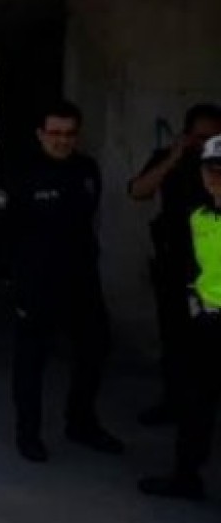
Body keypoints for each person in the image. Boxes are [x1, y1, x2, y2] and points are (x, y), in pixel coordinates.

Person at [0, 100, 124, 463]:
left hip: (82, 280)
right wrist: (15, 280)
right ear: (40, 134)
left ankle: (81, 423)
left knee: (95, 350)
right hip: (36, 283)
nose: (62, 140)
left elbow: (89, 218)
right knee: (31, 361)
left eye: (69, 134)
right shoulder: (20, 173)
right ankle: (28, 433)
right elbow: (3, 232)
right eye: (55, 133)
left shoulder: (86, 169)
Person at [126, 103, 221, 426]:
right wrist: (175, 157)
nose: (202, 144)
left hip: (211, 273)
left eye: (211, 137)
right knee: (174, 341)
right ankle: (174, 403)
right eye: (197, 137)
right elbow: (138, 191)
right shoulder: (172, 159)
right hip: (173, 265)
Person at [139, 133, 221, 500]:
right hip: (204, 328)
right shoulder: (198, 216)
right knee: (194, 410)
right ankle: (185, 478)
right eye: (212, 170)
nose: (217, 178)